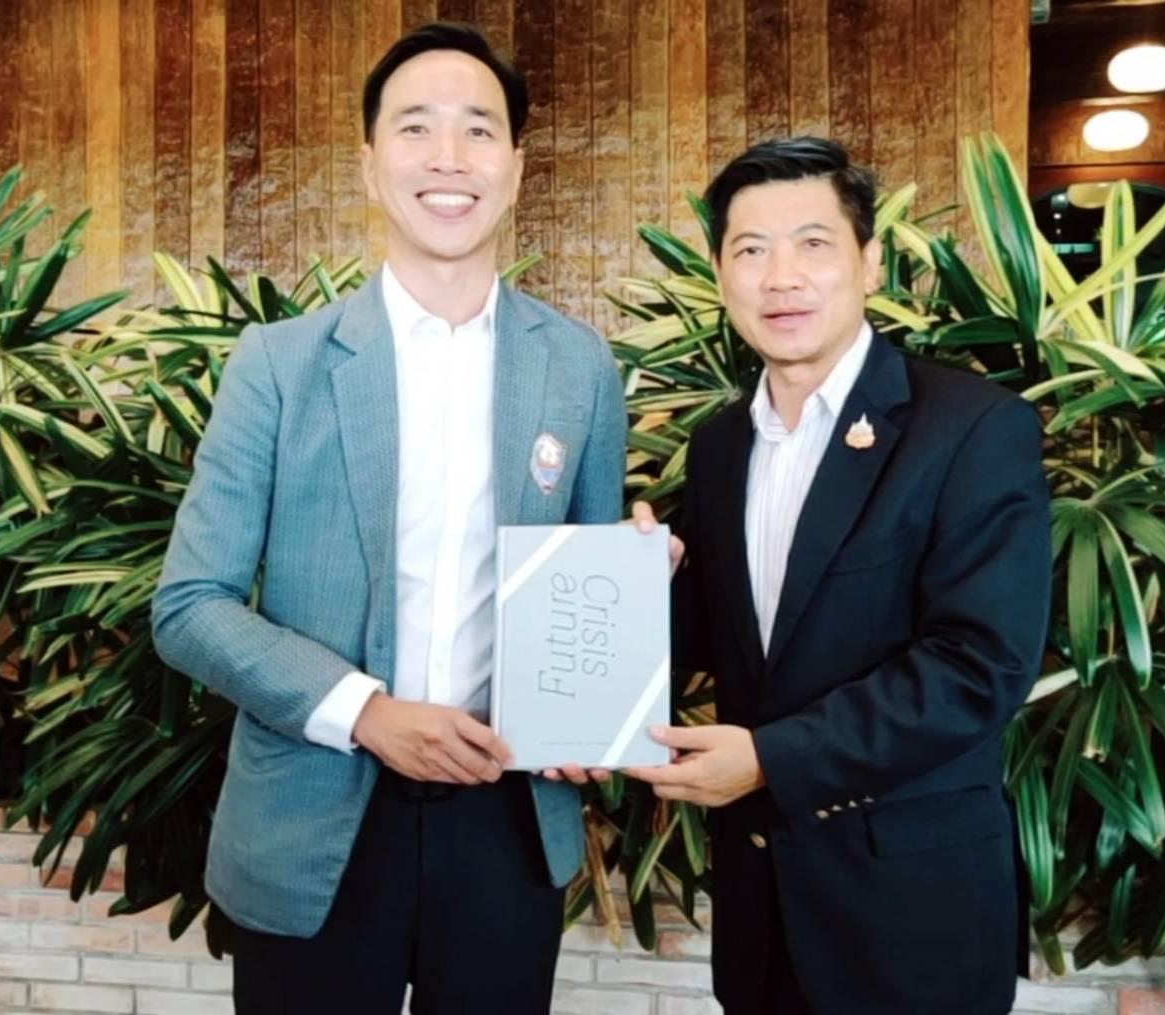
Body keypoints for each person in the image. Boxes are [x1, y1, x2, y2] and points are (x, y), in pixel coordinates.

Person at [150, 23, 627, 1015]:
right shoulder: (279, 363)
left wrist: (620, 621)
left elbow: (581, 584)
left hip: (505, 822)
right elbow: (190, 606)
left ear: (516, 167)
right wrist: (366, 711)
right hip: (312, 814)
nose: (448, 157)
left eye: (478, 130)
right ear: (369, 164)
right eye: (415, 128)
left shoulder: (578, 365)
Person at [624, 137, 1051, 1014]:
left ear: (869, 261)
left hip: (910, 917)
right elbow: (731, 638)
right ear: (719, 272)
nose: (780, 277)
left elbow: (978, 666)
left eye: (812, 244)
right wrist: (643, 584)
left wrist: (769, 760)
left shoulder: (971, 427)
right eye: (750, 249)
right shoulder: (719, 446)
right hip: (764, 915)